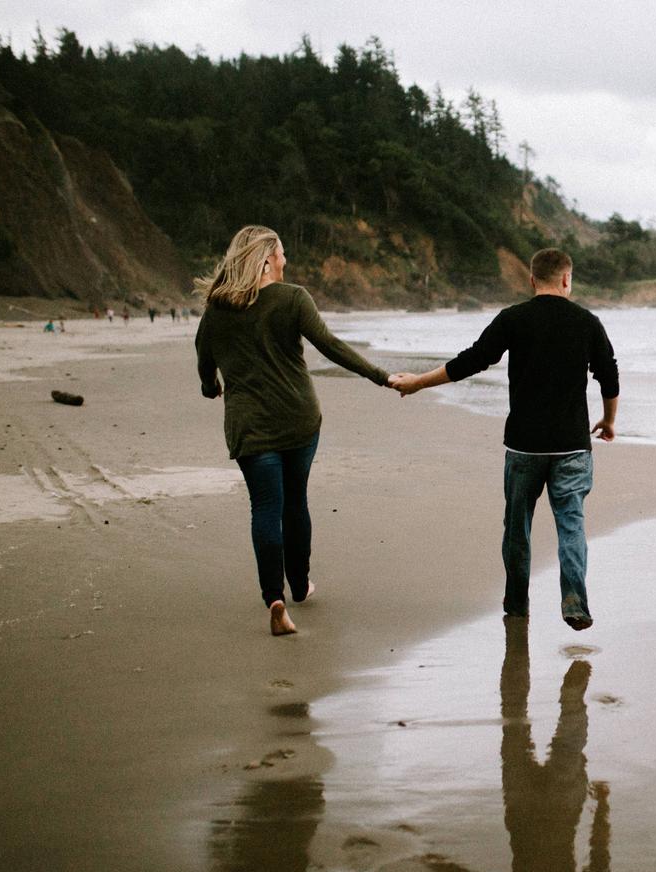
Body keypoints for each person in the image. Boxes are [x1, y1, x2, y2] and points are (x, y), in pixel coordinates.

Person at [391, 249, 619, 631]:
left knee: (517, 528)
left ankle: (516, 603)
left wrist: (417, 383)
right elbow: (608, 376)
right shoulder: (587, 322)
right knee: (571, 524)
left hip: (524, 446)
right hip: (571, 446)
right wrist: (609, 421)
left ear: (532, 280)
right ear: (567, 280)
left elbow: (471, 360)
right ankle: (575, 602)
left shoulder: (513, 319)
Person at [195, 224, 394, 636]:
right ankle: (301, 584)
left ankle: (276, 599)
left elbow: (204, 358)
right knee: (295, 501)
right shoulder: (293, 299)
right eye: (282, 253)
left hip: (249, 425)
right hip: (298, 418)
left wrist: (210, 386)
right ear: (268, 259)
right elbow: (331, 346)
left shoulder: (216, 309)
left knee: (265, 507)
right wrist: (381, 377)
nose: (286, 260)